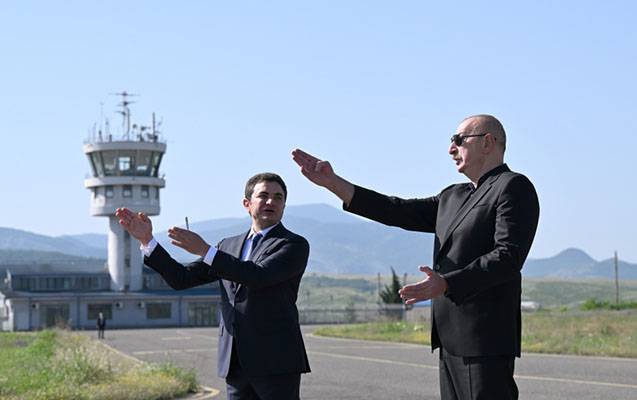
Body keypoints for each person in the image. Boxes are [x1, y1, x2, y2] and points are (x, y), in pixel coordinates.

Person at [292, 114, 539, 400]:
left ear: (487, 142)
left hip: (484, 338)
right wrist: (333, 183)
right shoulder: (453, 196)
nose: (451, 149)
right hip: (450, 339)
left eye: (458, 141)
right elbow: (397, 210)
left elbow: (508, 256)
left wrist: (447, 283)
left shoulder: (512, 187)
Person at [115, 172, 311, 400]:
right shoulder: (227, 246)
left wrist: (206, 250)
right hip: (235, 363)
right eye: (264, 195)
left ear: (284, 205)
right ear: (247, 204)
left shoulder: (293, 244)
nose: (271, 202)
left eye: (278, 197)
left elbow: (258, 276)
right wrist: (148, 241)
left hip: (276, 362)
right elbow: (182, 278)